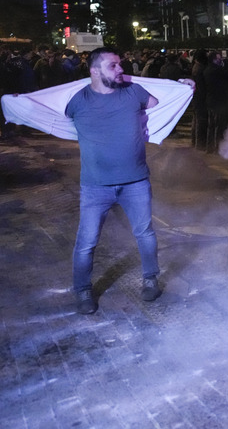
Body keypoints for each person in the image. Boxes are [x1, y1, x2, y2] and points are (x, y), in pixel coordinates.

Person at [63, 47, 165, 314]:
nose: (121, 70)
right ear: (94, 72)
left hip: (136, 182)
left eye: (120, 64)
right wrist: (18, 102)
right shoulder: (78, 100)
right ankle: (83, 290)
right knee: (86, 242)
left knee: (145, 233)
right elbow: (49, 110)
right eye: (113, 66)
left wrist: (185, 87)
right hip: (95, 186)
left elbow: (165, 103)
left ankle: (150, 278)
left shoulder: (134, 92)